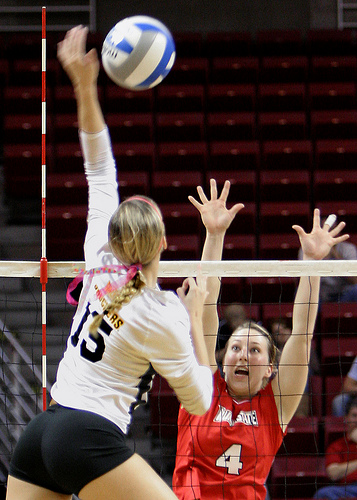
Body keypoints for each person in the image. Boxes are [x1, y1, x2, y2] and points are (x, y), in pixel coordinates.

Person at [5, 25, 218, 500]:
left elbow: (99, 168)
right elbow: (201, 401)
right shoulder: (160, 312)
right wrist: (197, 321)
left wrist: (84, 85)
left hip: (41, 432)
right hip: (87, 440)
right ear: (163, 243)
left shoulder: (99, 257)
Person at [173, 209, 349, 500]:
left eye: (254, 350)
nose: (242, 355)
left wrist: (312, 264)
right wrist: (215, 236)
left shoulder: (274, 407)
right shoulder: (203, 386)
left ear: (270, 368)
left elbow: (302, 335)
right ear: (223, 360)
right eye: (236, 348)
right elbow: (206, 304)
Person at [298, 217, 357, 303]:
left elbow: (355, 280)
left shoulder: (348, 249)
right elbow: (304, 281)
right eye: (325, 230)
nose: (328, 234)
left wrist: (335, 255)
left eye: (332, 229)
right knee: (302, 293)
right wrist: (318, 258)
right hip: (319, 293)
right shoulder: (307, 250)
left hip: (343, 291)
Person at [313, 396, 357, 499]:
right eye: (354, 415)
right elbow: (333, 473)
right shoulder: (337, 446)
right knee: (323, 494)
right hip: (348, 489)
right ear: (346, 418)